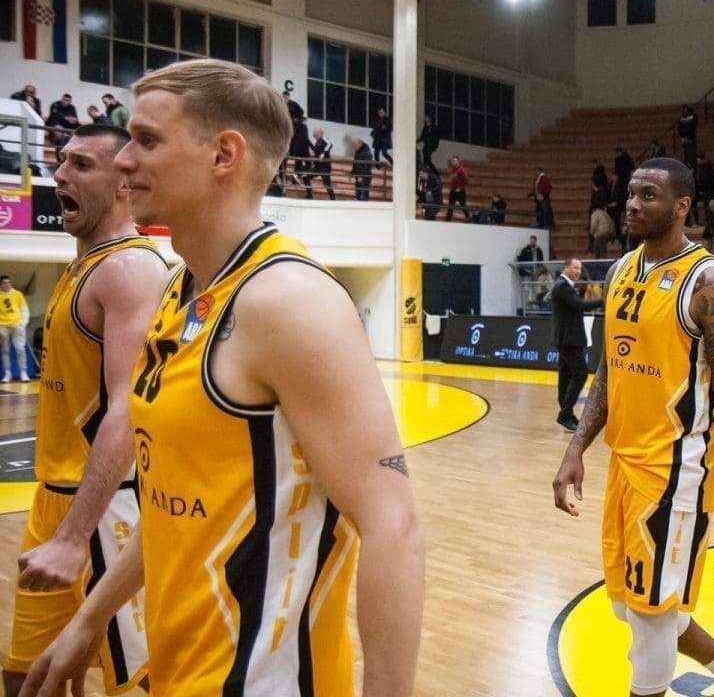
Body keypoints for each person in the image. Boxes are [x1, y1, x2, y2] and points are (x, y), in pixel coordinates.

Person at [21, 60, 425, 697]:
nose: (123, 160)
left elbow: (394, 529)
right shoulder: (178, 291)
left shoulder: (289, 301)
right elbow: (171, 499)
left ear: (223, 155)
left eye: (147, 140)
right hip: (181, 669)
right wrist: (89, 618)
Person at [552, 158, 714, 697]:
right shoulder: (620, 271)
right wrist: (576, 448)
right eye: (631, 193)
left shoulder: (711, 288)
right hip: (624, 464)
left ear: (682, 207)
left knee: (651, 615)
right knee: (630, 606)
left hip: (677, 472)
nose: (632, 204)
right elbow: (609, 369)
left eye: (648, 195)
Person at [4, 124, 169, 697]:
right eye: (60, 161)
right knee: (27, 677)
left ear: (124, 182)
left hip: (105, 508)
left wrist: (74, 537)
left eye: (81, 165)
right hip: (56, 499)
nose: (59, 175)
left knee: (146, 683)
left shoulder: (129, 269)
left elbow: (127, 408)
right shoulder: (84, 264)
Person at [550, 259, 604, 433]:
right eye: (575, 268)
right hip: (569, 339)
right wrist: (604, 300)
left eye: (580, 268)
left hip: (566, 338)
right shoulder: (562, 287)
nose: (578, 271)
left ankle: (567, 414)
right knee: (580, 374)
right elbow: (579, 305)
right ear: (566, 268)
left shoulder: (563, 285)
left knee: (565, 376)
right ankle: (565, 415)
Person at [0, 275, 30, 383]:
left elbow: (24, 310)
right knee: (5, 350)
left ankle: (23, 372)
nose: (7, 284)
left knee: (20, 349)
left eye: (9, 282)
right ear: (1, 284)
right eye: (5, 283)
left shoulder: (17, 294)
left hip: (17, 325)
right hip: (3, 326)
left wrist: (22, 324)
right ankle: (7, 373)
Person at [305, 127, 336, 200]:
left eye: (314, 131)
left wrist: (323, 153)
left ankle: (333, 199)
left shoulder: (323, 139)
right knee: (305, 176)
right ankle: (309, 195)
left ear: (319, 132)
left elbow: (330, 144)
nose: (313, 133)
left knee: (327, 184)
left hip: (324, 167)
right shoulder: (317, 142)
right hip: (317, 167)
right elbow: (317, 151)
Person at [447, 156, 469, 221]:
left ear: (458, 161)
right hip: (453, 190)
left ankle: (468, 217)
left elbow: (466, 180)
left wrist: (460, 188)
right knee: (450, 205)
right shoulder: (453, 169)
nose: (453, 162)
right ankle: (448, 219)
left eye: (454, 161)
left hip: (460, 191)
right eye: (452, 161)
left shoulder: (461, 170)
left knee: (463, 205)